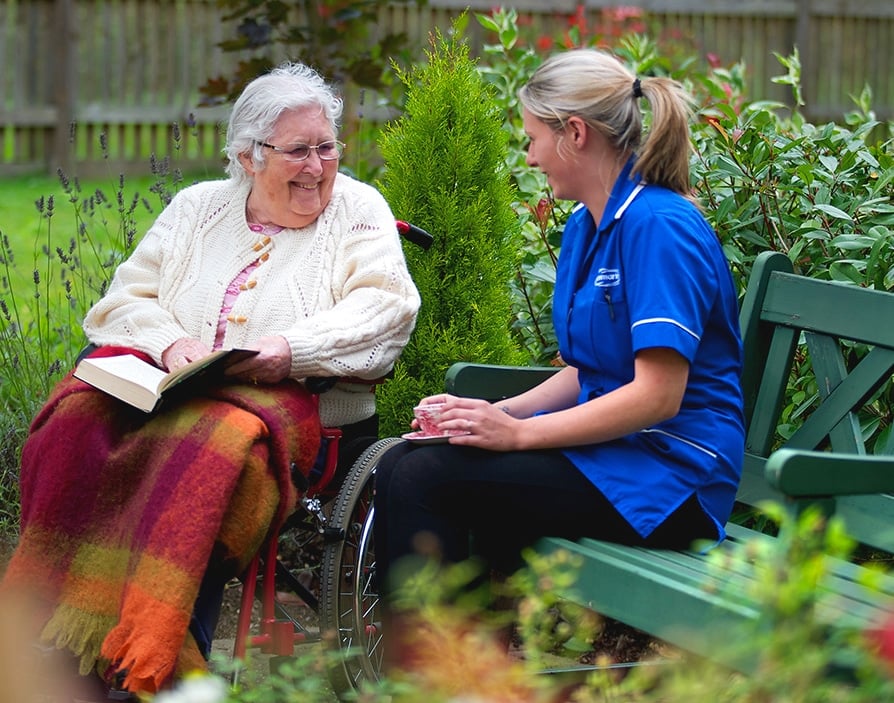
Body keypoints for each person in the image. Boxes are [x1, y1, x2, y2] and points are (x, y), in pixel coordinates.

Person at [1, 61, 419, 698]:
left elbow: (386, 309)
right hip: (179, 394)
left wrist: (290, 348)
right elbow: (125, 299)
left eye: (326, 147)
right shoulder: (197, 207)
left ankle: (157, 658)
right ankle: (55, 639)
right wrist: (172, 344)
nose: (317, 166)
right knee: (73, 425)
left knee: (209, 453)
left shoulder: (358, 210)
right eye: (298, 151)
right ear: (249, 157)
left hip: (301, 415)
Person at [373, 48, 744, 664]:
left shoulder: (660, 226)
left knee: (422, 477)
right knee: (419, 457)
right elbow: (589, 372)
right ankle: (466, 671)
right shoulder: (586, 224)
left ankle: (433, 679)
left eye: (533, 138)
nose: (529, 155)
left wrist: (516, 437)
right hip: (615, 457)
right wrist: (490, 413)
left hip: (674, 473)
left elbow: (658, 394)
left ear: (574, 134)